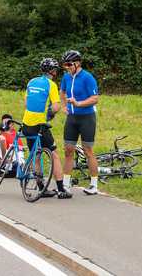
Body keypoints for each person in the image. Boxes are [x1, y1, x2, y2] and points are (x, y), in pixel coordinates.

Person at [23, 58, 71, 199]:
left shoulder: (31, 81)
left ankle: (41, 187)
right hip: (40, 125)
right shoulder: (51, 85)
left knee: (36, 155)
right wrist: (51, 114)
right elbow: (56, 106)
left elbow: (26, 103)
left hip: (27, 124)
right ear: (53, 72)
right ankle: (61, 189)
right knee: (54, 154)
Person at [60, 50, 100, 195]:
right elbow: (62, 92)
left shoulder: (87, 77)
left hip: (87, 117)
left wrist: (78, 103)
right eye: (65, 65)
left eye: (69, 64)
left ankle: (94, 185)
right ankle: (65, 184)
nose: (67, 67)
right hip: (72, 118)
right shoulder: (66, 77)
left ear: (77, 63)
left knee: (88, 151)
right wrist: (64, 106)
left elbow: (95, 98)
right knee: (68, 150)